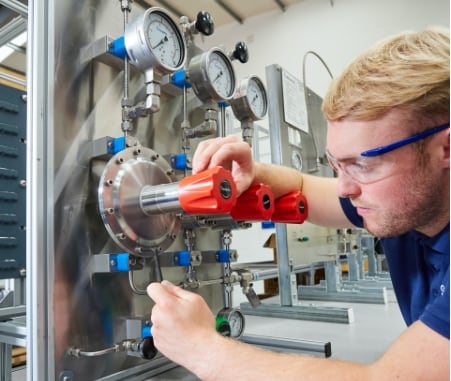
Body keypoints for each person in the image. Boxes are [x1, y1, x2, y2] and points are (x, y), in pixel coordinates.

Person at [147, 27, 450, 380]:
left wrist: (201, 348)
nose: (345, 187)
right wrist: (252, 170)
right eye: (337, 164)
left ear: (445, 149)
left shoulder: (392, 201)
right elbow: (304, 186)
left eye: (363, 164)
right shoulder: (397, 200)